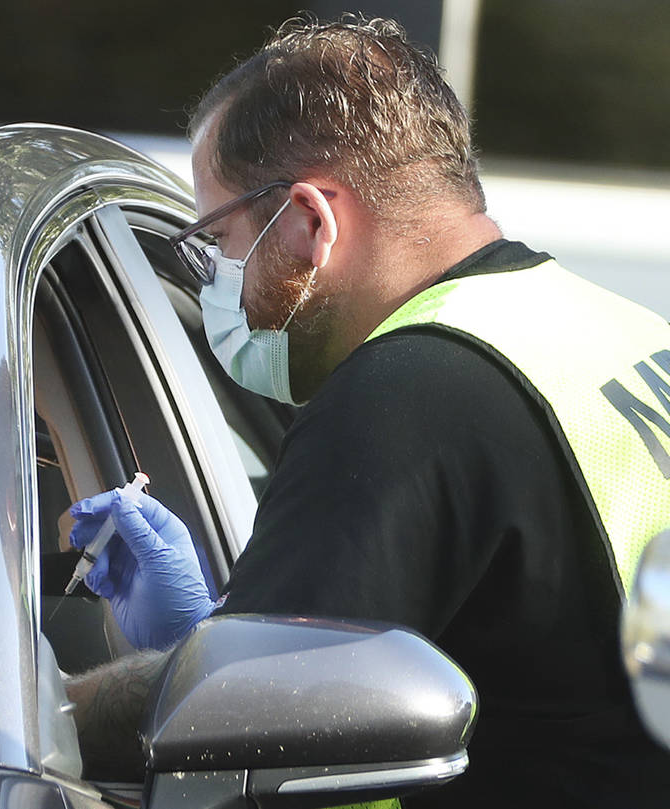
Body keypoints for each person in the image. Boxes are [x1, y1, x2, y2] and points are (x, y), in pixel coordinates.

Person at [65, 15, 670, 807]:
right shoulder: (620, 331)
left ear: (312, 222)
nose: (220, 278)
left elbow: (261, 716)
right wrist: (206, 641)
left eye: (221, 240)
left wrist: (45, 710)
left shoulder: (409, 395)